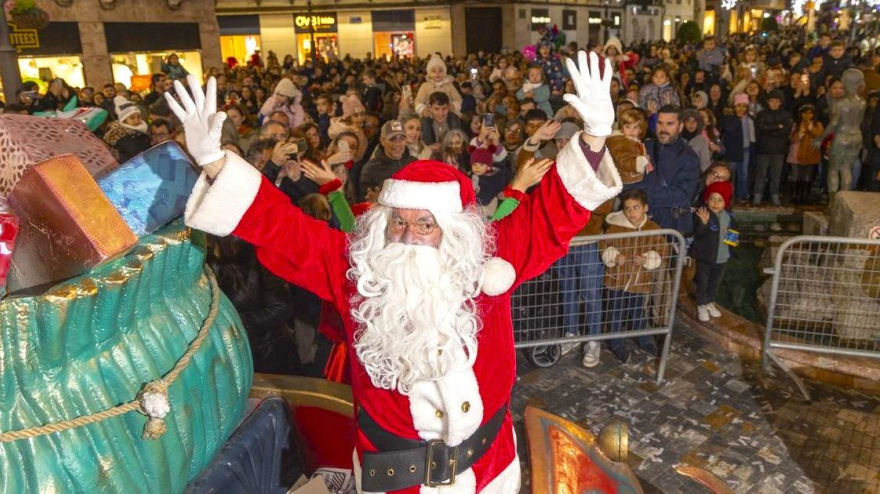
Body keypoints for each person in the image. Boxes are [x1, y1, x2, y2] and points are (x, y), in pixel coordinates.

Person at [166, 51, 622, 493]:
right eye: (398, 222)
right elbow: (283, 229)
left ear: (452, 229)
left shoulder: (489, 258)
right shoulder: (357, 268)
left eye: (425, 224)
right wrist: (213, 162)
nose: (409, 235)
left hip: (491, 470)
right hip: (396, 482)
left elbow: (553, 213)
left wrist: (596, 136)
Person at [600, 189, 666, 363]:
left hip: (639, 281)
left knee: (638, 312)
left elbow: (661, 251)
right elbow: (604, 245)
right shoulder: (615, 227)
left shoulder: (653, 229)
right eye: (627, 208)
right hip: (617, 280)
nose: (631, 212)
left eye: (635, 207)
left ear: (645, 208)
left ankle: (643, 340)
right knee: (615, 312)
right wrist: (614, 256)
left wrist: (646, 259)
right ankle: (615, 343)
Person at [639, 105, 700, 235]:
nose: (663, 129)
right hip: (639, 222)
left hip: (672, 225)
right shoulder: (643, 147)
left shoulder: (690, 157)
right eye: (660, 123)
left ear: (681, 126)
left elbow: (682, 195)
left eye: (669, 124)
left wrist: (642, 196)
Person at [691, 181, 737, 322]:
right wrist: (703, 224)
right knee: (703, 282)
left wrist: (733, 244)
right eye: (712, 199)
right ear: (706, 200)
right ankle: (701, 304)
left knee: (715, 283)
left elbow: (732, 237)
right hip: (705, 257)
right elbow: (698, 234)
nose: (715, 203)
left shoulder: (730, 218)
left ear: (726, 202)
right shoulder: (703, 214)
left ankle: (710, 302)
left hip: (722, 258)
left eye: (720, 200)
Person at [358, 120, 416, 200]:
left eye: (401, 139)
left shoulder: (415, 163)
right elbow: (364, 203)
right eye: (393, 139)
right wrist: (376, 202)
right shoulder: (370, 169)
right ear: (382, 141)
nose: (398, 143)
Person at [753, 90, 793, 205]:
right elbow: (761, 129)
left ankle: (774, 194)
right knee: (761, 173)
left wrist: (770, 129)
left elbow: (786, 130)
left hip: (779, 149)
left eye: (777, 101)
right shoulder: (761, 114)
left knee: (776, 174)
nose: (774, 103)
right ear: (768, 102)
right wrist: (778, 127)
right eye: (772, 101)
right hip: (763, 148)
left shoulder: (786, 115)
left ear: (781, 102)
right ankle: (757, 195)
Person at [721, 94, 755, 202]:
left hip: (746, 149)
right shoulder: (729, 119)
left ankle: (742, 195)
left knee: (743, 174)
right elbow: (728, 129)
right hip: (732, 150)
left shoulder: (750, 119)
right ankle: (728, 195)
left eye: (744, 106)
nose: (741, 109)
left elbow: (753, 136)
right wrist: (736, 119)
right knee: (731, 174)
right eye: (739, 106)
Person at [787, 104, 824, 203]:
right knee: (795, 174)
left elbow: (820, 136)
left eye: (810, 113)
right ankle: (794, 196)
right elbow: (791, 139)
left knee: (807, 175)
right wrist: (801, 132)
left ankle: (804, 197)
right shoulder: (796, 124)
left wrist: (810, 127)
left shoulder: (818, 124)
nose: (807, 116)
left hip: (810, 153)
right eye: (805, 113)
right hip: (796, 153)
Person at [607, 108, 651, 184]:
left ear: (640, 129)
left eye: (635, 127)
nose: (631, 130)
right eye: (627, 127)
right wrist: (641, 161)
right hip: (627, 181)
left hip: (634, 178)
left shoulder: (632, 141)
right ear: (621, 128)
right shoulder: (620, 142)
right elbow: (624, 162)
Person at [103, 96, 151, 163]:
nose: (136, 120)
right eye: (132, 118)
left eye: (138, 117)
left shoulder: (141, 132)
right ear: (124, 120)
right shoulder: (122, 136)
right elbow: (136, 152)